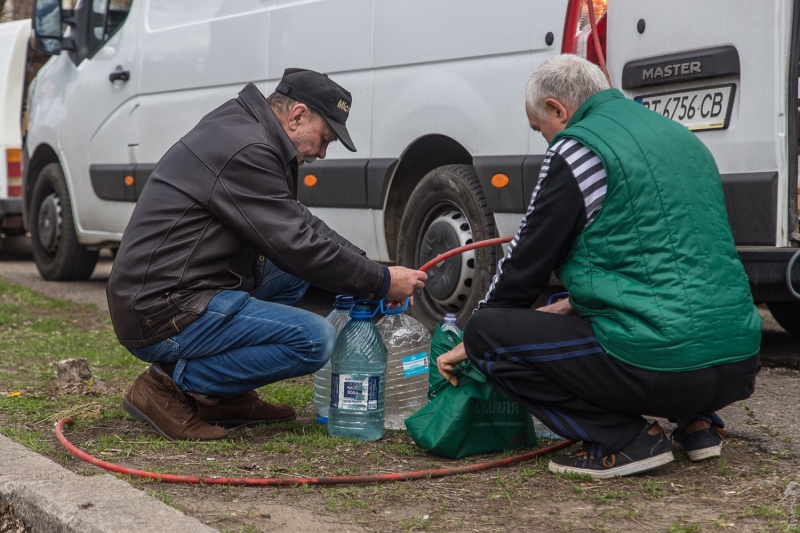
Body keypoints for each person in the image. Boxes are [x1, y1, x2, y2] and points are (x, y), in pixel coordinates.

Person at [437, 55, 761, 479]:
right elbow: (672, 261)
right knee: (675, 318)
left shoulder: (577, 149)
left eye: (541, 128)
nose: (546, 139)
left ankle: (623, 440)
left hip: (662, 368)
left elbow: (525, 265)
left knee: (488, 334)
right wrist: (573, 304)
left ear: (558, 109)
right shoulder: (684, 139)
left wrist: (475, 340)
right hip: (738, 362)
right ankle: (698, 424)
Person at [107, 68, 427, 441]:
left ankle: (220, 395)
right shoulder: (247, 148)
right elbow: (297, 242)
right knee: (314, 340)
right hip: (162, 308)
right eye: (324, 139)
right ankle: (167, 386)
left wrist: (371, 270)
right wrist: (381, 282)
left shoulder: (250, 131)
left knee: (294, 275)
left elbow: (299, 224)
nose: (323, 153)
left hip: (188, 285)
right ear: (297, 115)